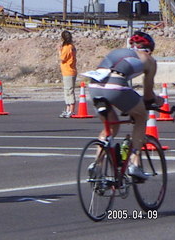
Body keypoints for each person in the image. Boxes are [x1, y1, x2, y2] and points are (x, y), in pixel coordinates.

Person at [84, 31, 163, 180]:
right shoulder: (149, 60)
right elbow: (148, 94)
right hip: (116, 86)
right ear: (150, 49)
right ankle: (134, 163)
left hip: (94, 86)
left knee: (111, 127)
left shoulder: (119, 52)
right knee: (141, 117)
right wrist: (157, 101)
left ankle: (97, 165)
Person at [58, 30, 77, 118]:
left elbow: (62, 58)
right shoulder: (72, 46)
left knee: (69, 91)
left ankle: (71, 110)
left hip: (68, 71)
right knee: (67, 90)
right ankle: (68, 109)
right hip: (69, 71)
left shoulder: (67, 47)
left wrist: (59, 51)